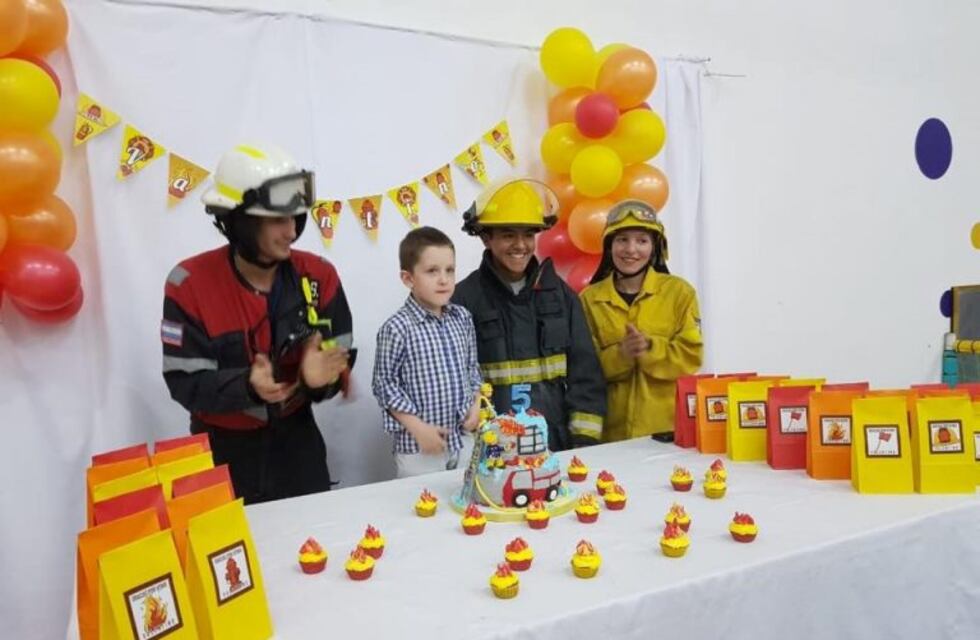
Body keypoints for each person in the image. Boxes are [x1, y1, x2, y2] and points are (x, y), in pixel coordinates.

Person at [161, 143, 353, 503]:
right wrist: (246, 386)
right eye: (277, 220)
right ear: (239, 222)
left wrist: (317, 382)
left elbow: (339, 363)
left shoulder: (319, 276)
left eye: (295, 218)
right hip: (222, 454)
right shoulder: (188, 284)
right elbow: (184, 383)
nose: (291, 232)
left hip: (299, 449)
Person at [452, 178, 606, 450]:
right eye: (508, 235)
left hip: (555, 443)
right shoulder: (464, 299)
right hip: (492, 445)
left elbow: (586, 373)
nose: (520, 245)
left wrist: (583, 439)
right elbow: (453, 381)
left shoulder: (561, 297)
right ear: (486, 238)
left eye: (527, 235)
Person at [579, 200, 703, 442]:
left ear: (655, 247)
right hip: (610, 437)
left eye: (642, 241)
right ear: (609, 246)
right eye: (622, 239)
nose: (631, 249)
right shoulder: (589, 299)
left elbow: (691, 356)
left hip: (667, 433)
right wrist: (621, 355)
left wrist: (650, 348)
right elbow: (583, 369)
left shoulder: (680, 293)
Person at [372, 226, 483, 477]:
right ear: (408, 279)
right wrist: (418, 428)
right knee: (423, 499)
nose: (444, 279)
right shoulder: (396, 328)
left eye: (449, 270)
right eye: (432, 271)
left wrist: (476, 405)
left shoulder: (462, 318)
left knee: (467, 496)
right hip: (419, 449)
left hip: (463, 441)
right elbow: (384, 385)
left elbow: (472, 369)